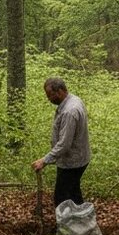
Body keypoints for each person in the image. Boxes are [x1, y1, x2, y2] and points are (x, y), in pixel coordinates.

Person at [31, 77, 91, 207]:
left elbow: (64, 144)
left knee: (61, 198)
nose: (49, 99)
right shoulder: (73, 100)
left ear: (59, 91)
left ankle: (66, 225)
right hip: (78, 158)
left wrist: (44, 160)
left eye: (50, 95)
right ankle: (81, 222)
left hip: (72, 163)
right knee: (74, 194)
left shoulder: (69, 111)